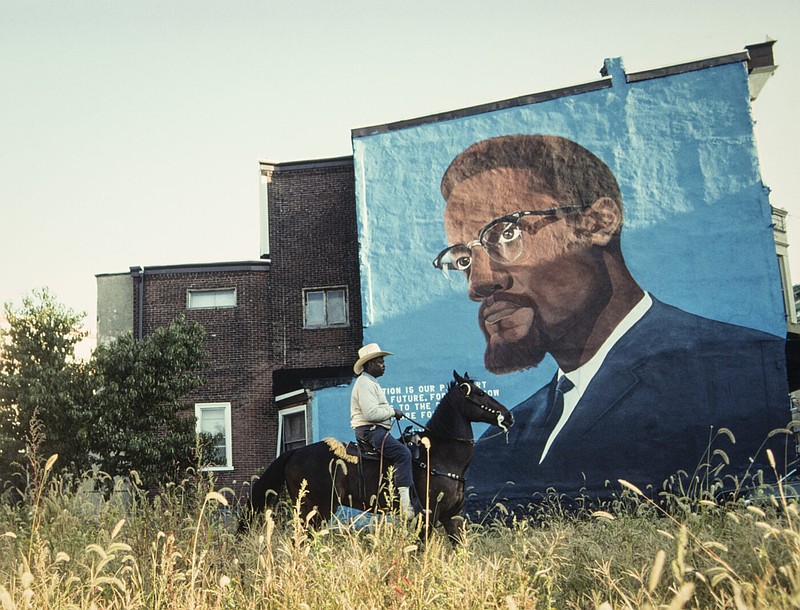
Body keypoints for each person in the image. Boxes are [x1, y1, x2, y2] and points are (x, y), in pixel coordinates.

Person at [434, 134, 790, 505]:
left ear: (599, 223)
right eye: (462, 259)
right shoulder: (502, 439)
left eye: (506, 234)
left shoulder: (742, 370)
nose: (477, 283)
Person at [351, 343, 425, 516]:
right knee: (403, 454)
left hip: (377, 430)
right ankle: (405, 506)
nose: (384, 365)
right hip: (371, 431)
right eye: (379, 361)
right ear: (369, 364)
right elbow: (370, 413)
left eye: (383, 361)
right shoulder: (365, 384)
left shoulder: (370, 382)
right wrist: (393, 412)